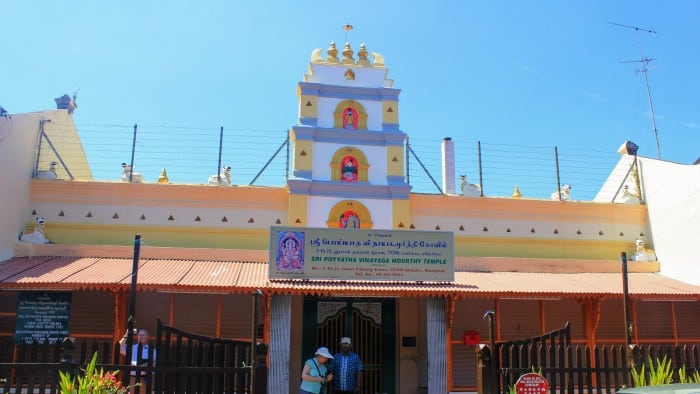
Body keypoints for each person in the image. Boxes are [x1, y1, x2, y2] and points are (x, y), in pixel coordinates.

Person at [120, 328, 156, 394]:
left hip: (145, 379)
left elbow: (154, 364)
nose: (141, 337)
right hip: (133, 378)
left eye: (143, 335)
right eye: (139, 335)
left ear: (147, 337)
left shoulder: (152, 351)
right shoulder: (132, 348)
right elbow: (119, 347)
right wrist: (127, 334)